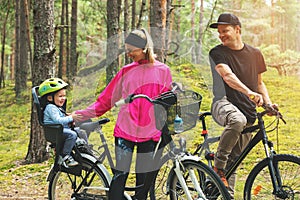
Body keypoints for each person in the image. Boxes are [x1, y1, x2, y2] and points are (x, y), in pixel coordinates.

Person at [75, 28, 173, 200]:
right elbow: (105, 100)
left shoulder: (163, 71)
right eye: (126, 50)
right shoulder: (126, 71)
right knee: (120, 177)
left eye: (130, 50)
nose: (128, 54)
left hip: (150, 133)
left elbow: (167, 101)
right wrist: (81, 114)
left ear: (144, 48)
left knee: (144, 182)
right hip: (125, 131)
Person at [208, 13, 277, 198]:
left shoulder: (255, 54)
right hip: (223, 103)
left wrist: (268, 104)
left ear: (237, 30)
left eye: (225, 31)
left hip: (248, 111)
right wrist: (249, 93)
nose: (221, 35)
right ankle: (218, 166)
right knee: (237, 120)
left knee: (235, 161)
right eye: (219, 32)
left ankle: (225, 194)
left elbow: (260, 83)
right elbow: (227, 76)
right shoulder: (217, 52)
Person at [39, 78, 83, 168]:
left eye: (64, 96)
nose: (63, 98)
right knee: (72, 135)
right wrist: (71, 118)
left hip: (61, 129)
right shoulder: (50, 108)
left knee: (80, 131)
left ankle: (83, 148)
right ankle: (65, 156)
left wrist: (70, 117)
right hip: (55, 132)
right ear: (50, 97)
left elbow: (62, 117)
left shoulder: (57, 107)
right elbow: (58, 120)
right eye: (60, 96)